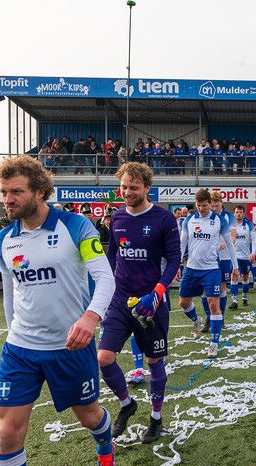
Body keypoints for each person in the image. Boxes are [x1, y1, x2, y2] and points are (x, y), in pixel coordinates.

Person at [0, 155, 116, 466]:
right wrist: (11, 333)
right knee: (8, 432)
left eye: (16, 191)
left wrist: (91, 318)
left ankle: (106, 446)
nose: (8, 199)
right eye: (4, 192)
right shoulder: (4, 239)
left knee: (89, 416)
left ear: (40, 191)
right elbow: (10, 294)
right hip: (20, 349)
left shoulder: (75, 226)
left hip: (70, 346)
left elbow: (105, 279)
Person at [98, 162, 181, 444]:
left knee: (153, 360)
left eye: (133, 187)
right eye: (123, 186)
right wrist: (104, 288)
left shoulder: (164, 219)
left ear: (147, 188)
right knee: (104, 358)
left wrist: (158, 292)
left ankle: (156, 418)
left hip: (151, 301)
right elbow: (112, 256)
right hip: (121, 299)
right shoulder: (117, 217)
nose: (127, 191)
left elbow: (173, 260)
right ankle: (126, 404)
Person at [178, 189, 238, 357]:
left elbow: (229, 243)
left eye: (204, 205)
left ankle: (214, 342)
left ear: (210, 204)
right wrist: (177, 263)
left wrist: (235, 266)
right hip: (191, 268)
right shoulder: (188, 220)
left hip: (211, 269)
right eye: (198, 205)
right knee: (183, 302)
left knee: (214, 305)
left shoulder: (219, 221)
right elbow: (182, 244)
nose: (201, 208)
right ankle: (196, 321)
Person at [228, 205, 256, 310]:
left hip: (245, 256)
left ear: (243, 213)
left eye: (240, 212)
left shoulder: (248, 224)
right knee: (233, 276)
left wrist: (253, 253)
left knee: (245, 277)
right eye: (236, 212)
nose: (238, 214)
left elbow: (253, 240)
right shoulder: (231, 225)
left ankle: (244, 297)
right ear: (234, 213)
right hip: (234, 256)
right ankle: (234, 300)